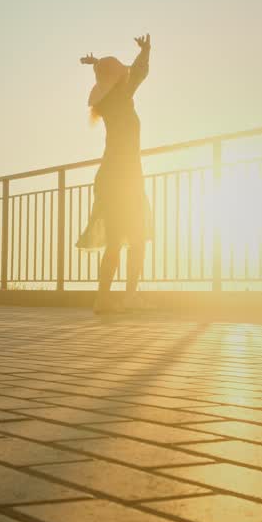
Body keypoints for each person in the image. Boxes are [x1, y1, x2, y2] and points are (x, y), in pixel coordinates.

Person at [78, 34, 152, 314]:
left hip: (113, 177)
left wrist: (97, 63)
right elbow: (138, 73)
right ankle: (128, 296)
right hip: (126, 179)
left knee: (117, 241)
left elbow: (119, 75)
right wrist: (146, 50)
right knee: (135, 239)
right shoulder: (122, 97)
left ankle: (103, 299)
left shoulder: (109, 100)